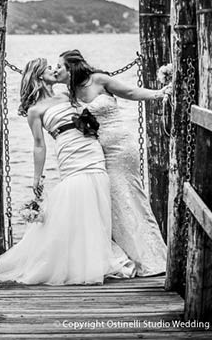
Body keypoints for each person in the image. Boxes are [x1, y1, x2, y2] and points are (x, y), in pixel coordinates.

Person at [0, 58, 136, 285]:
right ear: (39, 76)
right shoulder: (35, 110)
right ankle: (67, 258)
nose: (54, 70)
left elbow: (92, 98)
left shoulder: (67, 95)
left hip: (90, 147)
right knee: (76, 193)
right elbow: (39, 144)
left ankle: (91, 254)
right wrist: (36, 176)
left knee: (97, 192)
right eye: (48, 68)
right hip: (69, 151)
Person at [56, 49, 168, 276]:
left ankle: (151, 258)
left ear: (72, 67)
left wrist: (160, 93)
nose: (57, 69)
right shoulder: (70, 93)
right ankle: (122, 257)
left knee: (130, 196)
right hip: (97, 152)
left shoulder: (99, 80)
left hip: (121, 146)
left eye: (60, 66)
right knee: (110, 201)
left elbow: (131, 92)